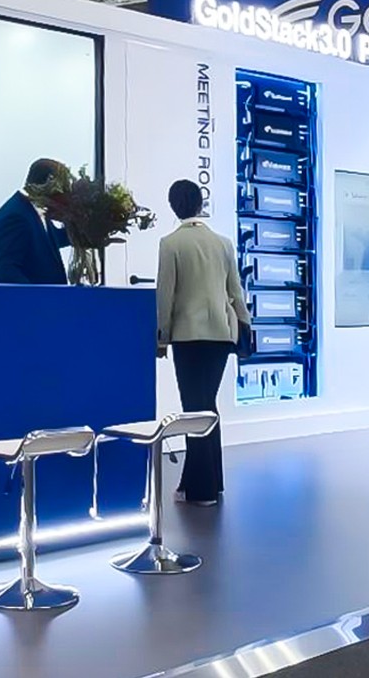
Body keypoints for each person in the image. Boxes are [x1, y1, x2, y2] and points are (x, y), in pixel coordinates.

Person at [155, 180, 251, 507]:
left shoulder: (170, 244)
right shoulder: (223, 243)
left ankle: (203, 490)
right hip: (221, 335)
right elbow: (236, 291)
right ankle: (207, 482)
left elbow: (165, 296)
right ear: (200, 204)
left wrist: (161, 337)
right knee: (207, 406)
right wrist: (245, 326)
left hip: (188, 337)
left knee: (196, 409)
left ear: (173, 206)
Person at [0, 159, 71, 284]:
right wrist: (36, 295)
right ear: (48, 186)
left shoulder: (36, 210)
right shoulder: (15, 217)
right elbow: (8, 272)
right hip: (35, 297)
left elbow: (49, 242)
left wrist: (88, 228)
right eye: (62, 190)